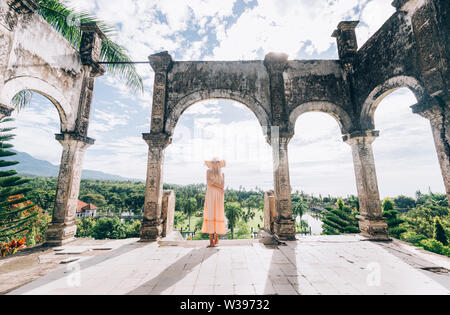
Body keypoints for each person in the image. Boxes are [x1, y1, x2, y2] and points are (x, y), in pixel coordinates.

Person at [201, 158, 226, 247]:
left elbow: (222, 185)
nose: (215, 164)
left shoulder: (222, 174)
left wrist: (218, 186)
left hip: (219, 196)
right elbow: (209, 183)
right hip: (210, 194)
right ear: (211, 164)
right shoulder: (208, 172)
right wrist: (220, 187)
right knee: (210, 213)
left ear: (219, 164)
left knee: (218, 213)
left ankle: (216, 237)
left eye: (217, 162)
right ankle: (211, 240)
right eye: (213, 162)